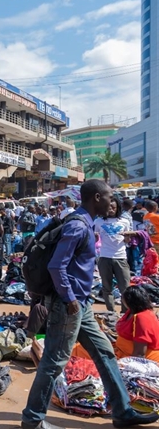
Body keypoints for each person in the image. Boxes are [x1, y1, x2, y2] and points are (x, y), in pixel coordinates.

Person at [20, 179, 158, 429]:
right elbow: (56, 266)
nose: (112, 202)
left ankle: (123, 412)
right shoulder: (78, 226)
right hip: (68, 305)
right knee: (54, 361)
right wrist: (70, 298)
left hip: (79, 305)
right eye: (108, 197)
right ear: (96, 198)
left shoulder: (84, 223)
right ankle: (33, 419)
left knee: (104, 352)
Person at [95, 195, 132, 314]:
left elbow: (127, 241)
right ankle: (111, 312)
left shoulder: (125, 221)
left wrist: (127, 238)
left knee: (125, 288)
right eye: (108, 207)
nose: (111, 209)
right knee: (107, 287)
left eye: (113, 207)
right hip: (105, 257)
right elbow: (95, 239)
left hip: (121, 258)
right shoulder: (98, 222)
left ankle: (124, 312)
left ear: (118, 208)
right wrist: (94, 238)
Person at [115, 286, 159, 362]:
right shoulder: (131, 311)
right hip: (122, 352)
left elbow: (140, 353)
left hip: (141, 359)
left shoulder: (142, 318)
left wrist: (128, 365)